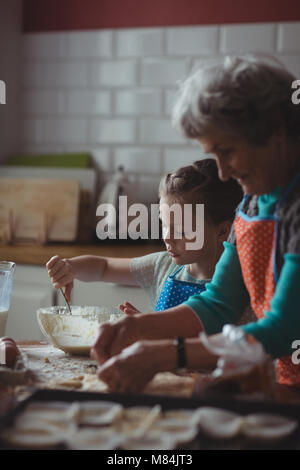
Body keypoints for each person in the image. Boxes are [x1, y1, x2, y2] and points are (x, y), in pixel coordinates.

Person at [91, 53, 300, 393]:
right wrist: (137, 328)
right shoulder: (254, 198)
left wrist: (167, 355)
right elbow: (218, 302)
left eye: (228, 150)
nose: (223, 172)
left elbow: (285, 328)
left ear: (275, 131)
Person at [46, 159, 243, 323]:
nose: (167, 236)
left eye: (181, 230)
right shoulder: (163, 266)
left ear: (223, 231)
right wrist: (71, 267)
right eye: (165, 225)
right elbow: (104, 267)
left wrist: (151, 327)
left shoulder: (238, 283)